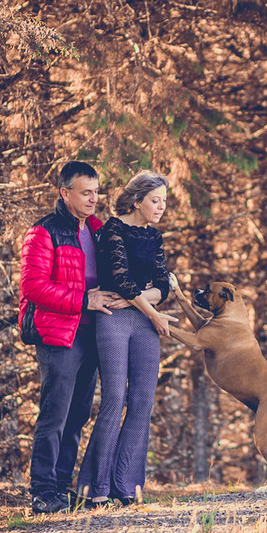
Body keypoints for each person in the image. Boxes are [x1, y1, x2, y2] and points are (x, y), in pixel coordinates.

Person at [19, 161, 125, 514]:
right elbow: (33, 287)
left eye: (96, 192)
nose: (93, 199)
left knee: (78, 413)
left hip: (94, 333)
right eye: (86, 193)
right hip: (59, 334)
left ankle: (62, 489)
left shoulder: (99, 230)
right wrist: (84, 300)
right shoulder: (43, 232)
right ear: (65, 194)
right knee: (55, 414)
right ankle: (42, 491)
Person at [77, 170, 177, 507]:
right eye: (155, 200)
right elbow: (120, 279)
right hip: (114, 320)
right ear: (137, 201)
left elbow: (163, 286)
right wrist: (150, 309)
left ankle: (126, 484)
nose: (161, 207)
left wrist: (144, 301)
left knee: (142, 402)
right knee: (114, 398)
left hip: (144, 322)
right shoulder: (112, 230)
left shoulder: (155, 237)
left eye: (164, 201)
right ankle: (95, 488)